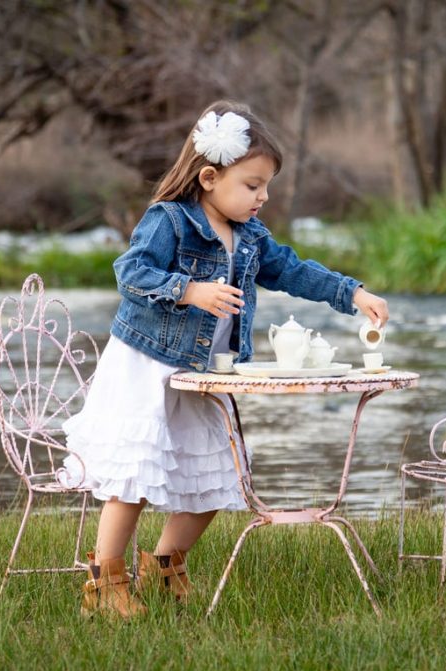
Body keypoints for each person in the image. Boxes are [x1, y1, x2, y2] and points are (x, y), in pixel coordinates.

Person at [61, 100, 389, 619]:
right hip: (147, 365)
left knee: (221, 473)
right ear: (209, 177)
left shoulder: (252, 238)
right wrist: (187, 289)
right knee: (135, 476)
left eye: (267, 186)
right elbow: (130, 272)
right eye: (253, 185)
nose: (263, 197)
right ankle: (105, 582)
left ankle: (165, 565)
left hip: (205, 373)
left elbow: (295, 272)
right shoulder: (169, 220)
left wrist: (353, 294)